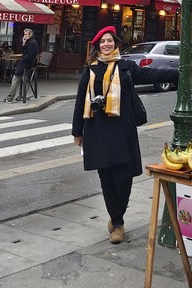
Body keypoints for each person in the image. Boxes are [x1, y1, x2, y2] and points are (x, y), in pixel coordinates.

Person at [71, 25, 178, 245]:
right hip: (98, 131)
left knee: (125, 178)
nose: (107, 44)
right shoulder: (90, 70)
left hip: (123, 131)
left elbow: (152, 73)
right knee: (107, 178)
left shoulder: (126, 67)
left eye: (110, 40)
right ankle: (117, 223)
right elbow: (80, 100)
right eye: (103, 41)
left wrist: (181, 71)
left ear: (116, 43)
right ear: (97, 46)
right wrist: (77, 132)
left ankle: (117, 216)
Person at [1, 29, 38, 102]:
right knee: (19, 80)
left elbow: (29, 55)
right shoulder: (30, 42)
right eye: (24, 34)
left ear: (30, 35)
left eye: (26, 34)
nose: (24, 36)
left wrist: (23, 59)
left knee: (15, 79)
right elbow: (25, 52)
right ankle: (19, 95)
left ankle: (10, 97)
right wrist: (23, 43)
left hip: (26, 64)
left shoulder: (32, 43)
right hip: (25, 64)